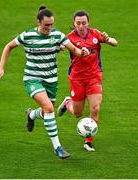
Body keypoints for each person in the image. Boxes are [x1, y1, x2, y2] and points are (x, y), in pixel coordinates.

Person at [0, 6, 89, 159]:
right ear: (38, 22)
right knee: (49, 108)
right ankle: (58, 147)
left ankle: (31, 114)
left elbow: (74, 50)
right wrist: (1, 68)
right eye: (46, 25)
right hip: (32, 78)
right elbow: (9, 46)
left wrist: (81, 52)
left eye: (52, 25)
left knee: (46, 112)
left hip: (51, 80)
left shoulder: (57, 35)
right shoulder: (28, 35)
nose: (50, 28)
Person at [58, 10, 117, 152]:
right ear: (74, 23)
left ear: (88, 22)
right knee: (78, 113)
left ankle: (88, 141)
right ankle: (67, 102)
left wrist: (108, 39)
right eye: (78, 23)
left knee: (95, 108)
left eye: (84, 23)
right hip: (77, 78)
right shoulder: (69, 38)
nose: (81, 25)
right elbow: (60, 46)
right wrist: (59, 47)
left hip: (94, 77)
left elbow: (115, 43)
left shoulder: (95, 34)